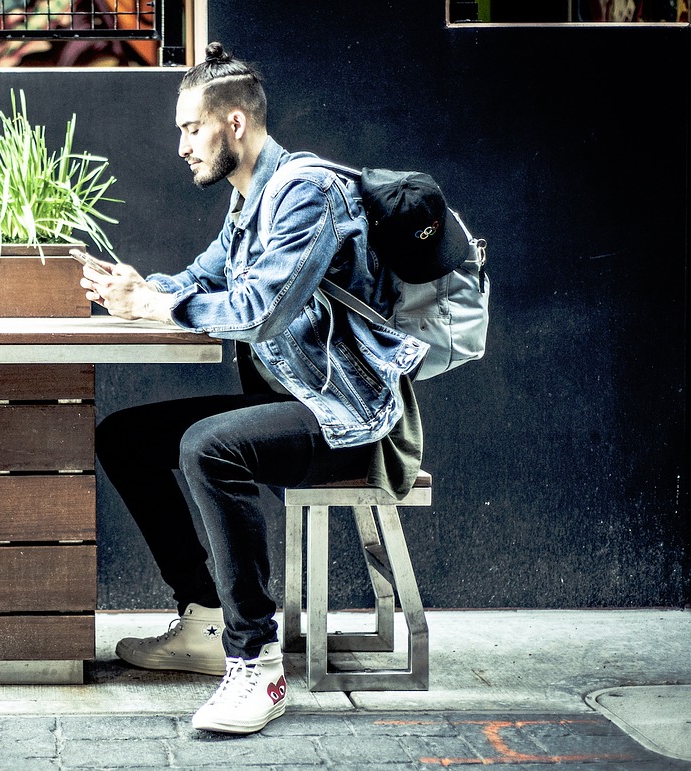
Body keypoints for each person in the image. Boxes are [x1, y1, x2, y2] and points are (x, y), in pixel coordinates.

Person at [79, 42, 425, 735]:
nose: (180, 146)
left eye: (189, 127)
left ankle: (255, 661)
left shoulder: (305, 194)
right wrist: (136, 289)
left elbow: (262, 307)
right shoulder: (249, 203)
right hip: (287, 400)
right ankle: (206, 615)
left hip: (345, 416)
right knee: (125, 437)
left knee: (208, 447)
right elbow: (201, 279)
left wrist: (156, 306)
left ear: (233, 123)